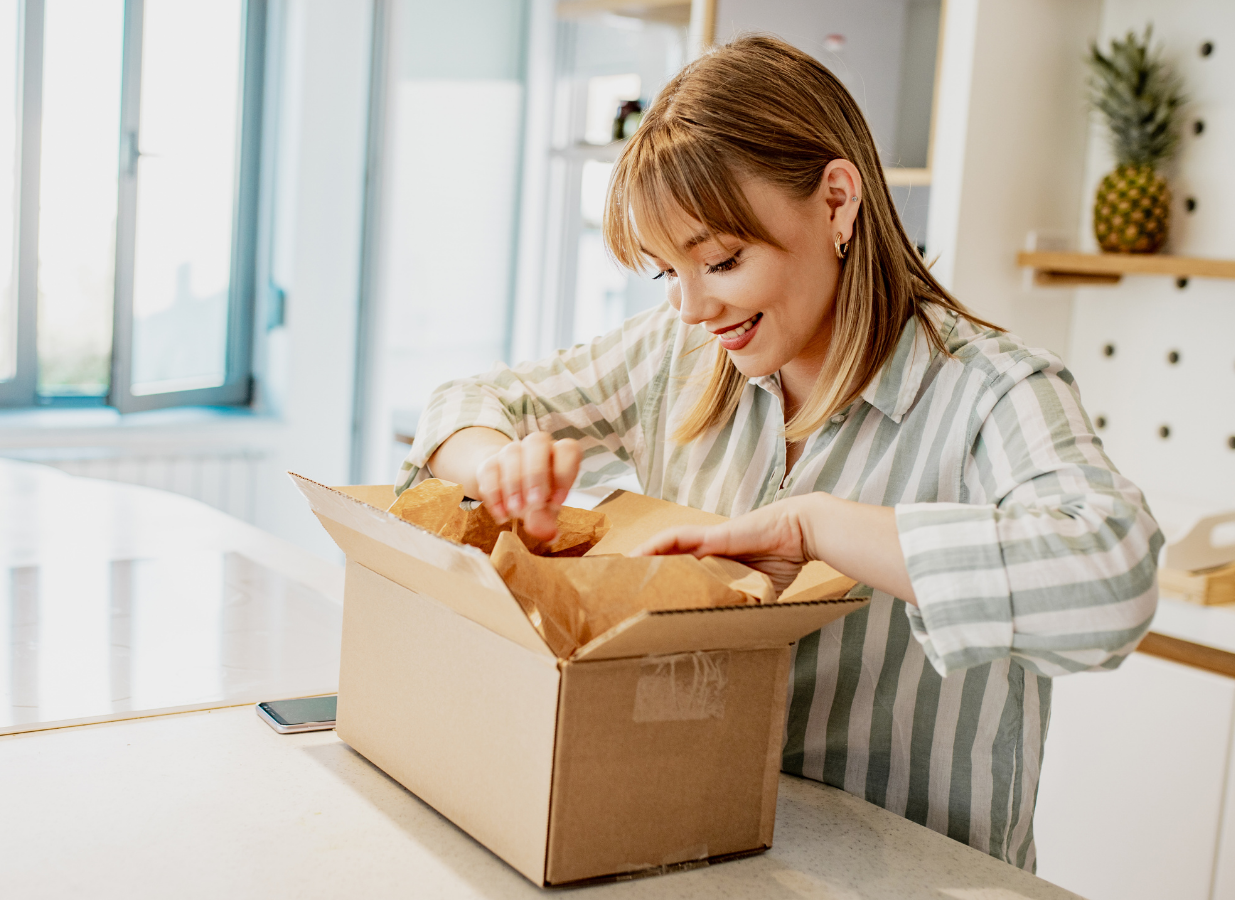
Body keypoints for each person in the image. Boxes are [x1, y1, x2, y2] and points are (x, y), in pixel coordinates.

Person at [396, 35, 1160, 871]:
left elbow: (1111, 579)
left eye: (722, 260)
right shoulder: (682, 353)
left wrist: (819, 527)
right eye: (665, 273)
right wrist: (497, 463)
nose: (691, 306)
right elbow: (466, 405)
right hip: (700, 858)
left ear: (837, 201)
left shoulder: (989, 391)